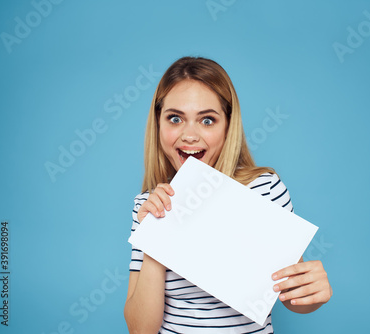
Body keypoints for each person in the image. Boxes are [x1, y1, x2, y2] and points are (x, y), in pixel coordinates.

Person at [124, 56, 332, 333]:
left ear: (227, 126)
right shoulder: (149, 205)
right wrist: (156, 235)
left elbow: (294, 297)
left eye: (207, 120)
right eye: (175, 118)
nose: (189, 135)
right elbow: (140, 330)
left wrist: (313, 292)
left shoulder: (264, 189)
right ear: (159, 124)